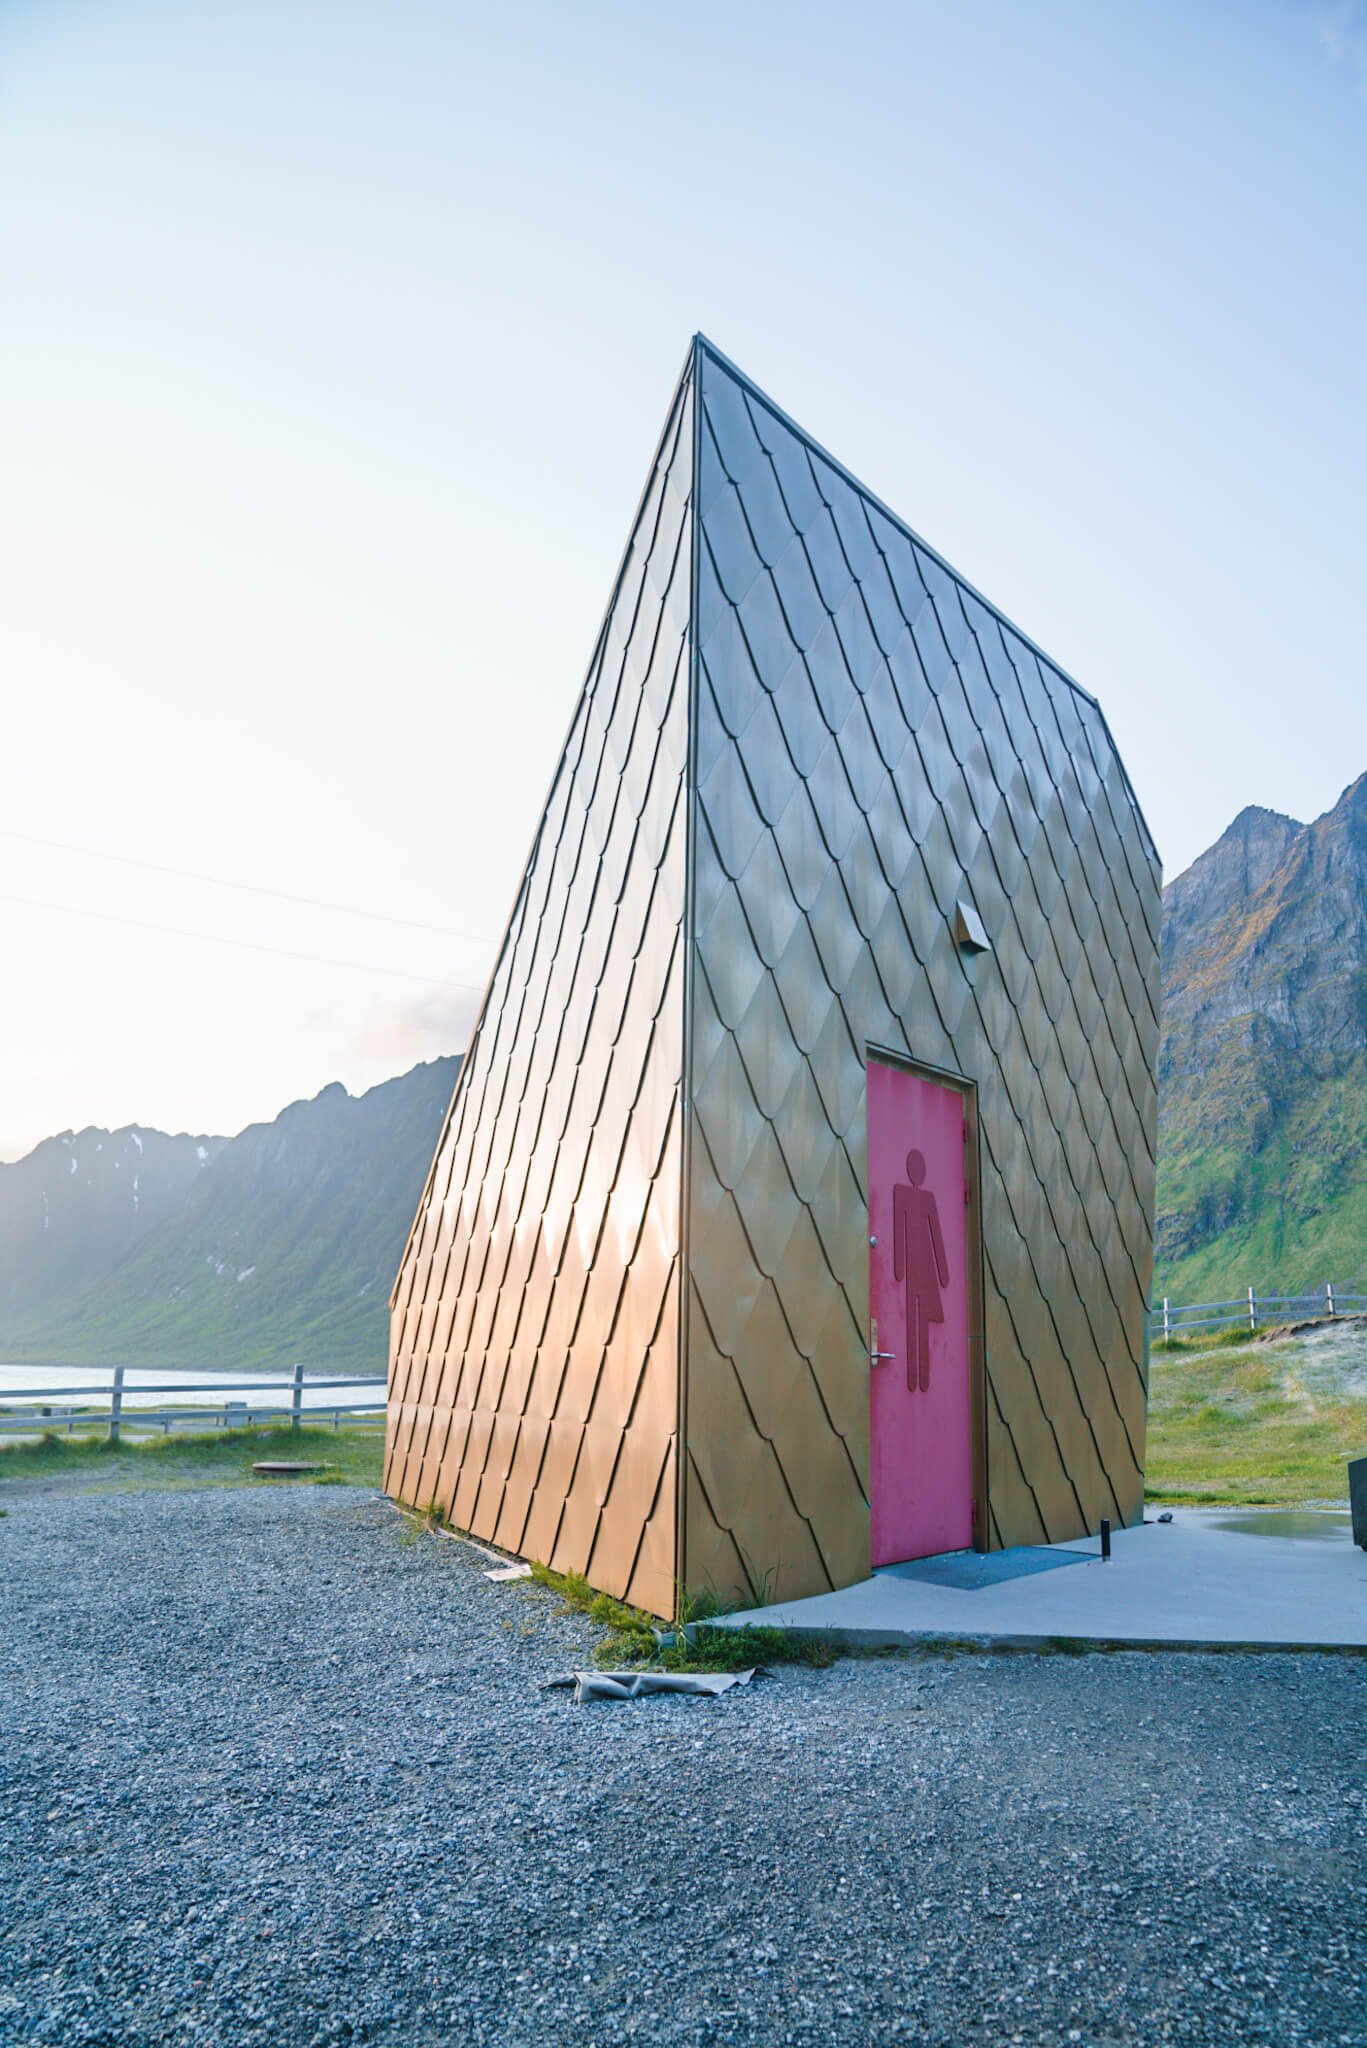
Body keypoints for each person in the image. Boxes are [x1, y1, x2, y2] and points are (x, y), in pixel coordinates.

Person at [892, 1148, 949, 1392]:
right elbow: (901, 1231)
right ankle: (916, 1379)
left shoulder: (925, 1198)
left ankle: (920, 1380)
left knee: (919, 1318)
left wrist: (943, 1274)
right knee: (915, 1319)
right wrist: (898, 1270)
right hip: (917, 1265)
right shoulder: (904, 1194)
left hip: (921, 1267)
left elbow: (935, 1233)